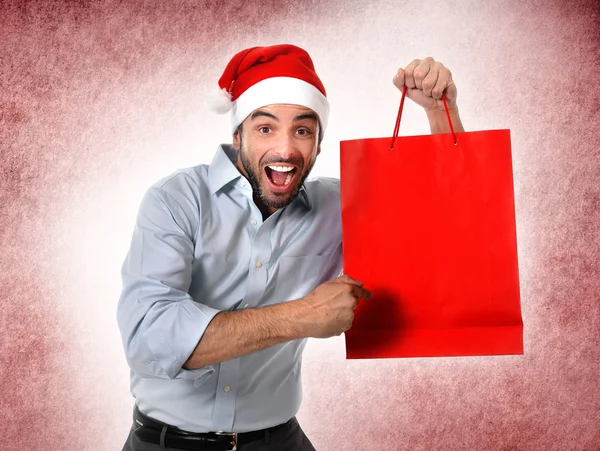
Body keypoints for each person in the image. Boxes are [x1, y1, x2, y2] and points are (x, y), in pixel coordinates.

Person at [117, 44, 464, 451]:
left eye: (302, 130)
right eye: (265, 128)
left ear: (317, 144)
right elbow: (150, 337)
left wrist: (440, 113)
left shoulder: (340, 206)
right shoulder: (175, 200)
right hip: (165, 444)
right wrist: (302, 317)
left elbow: (447, 224)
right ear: (237, 135)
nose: (285, 150)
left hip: (280, 441)